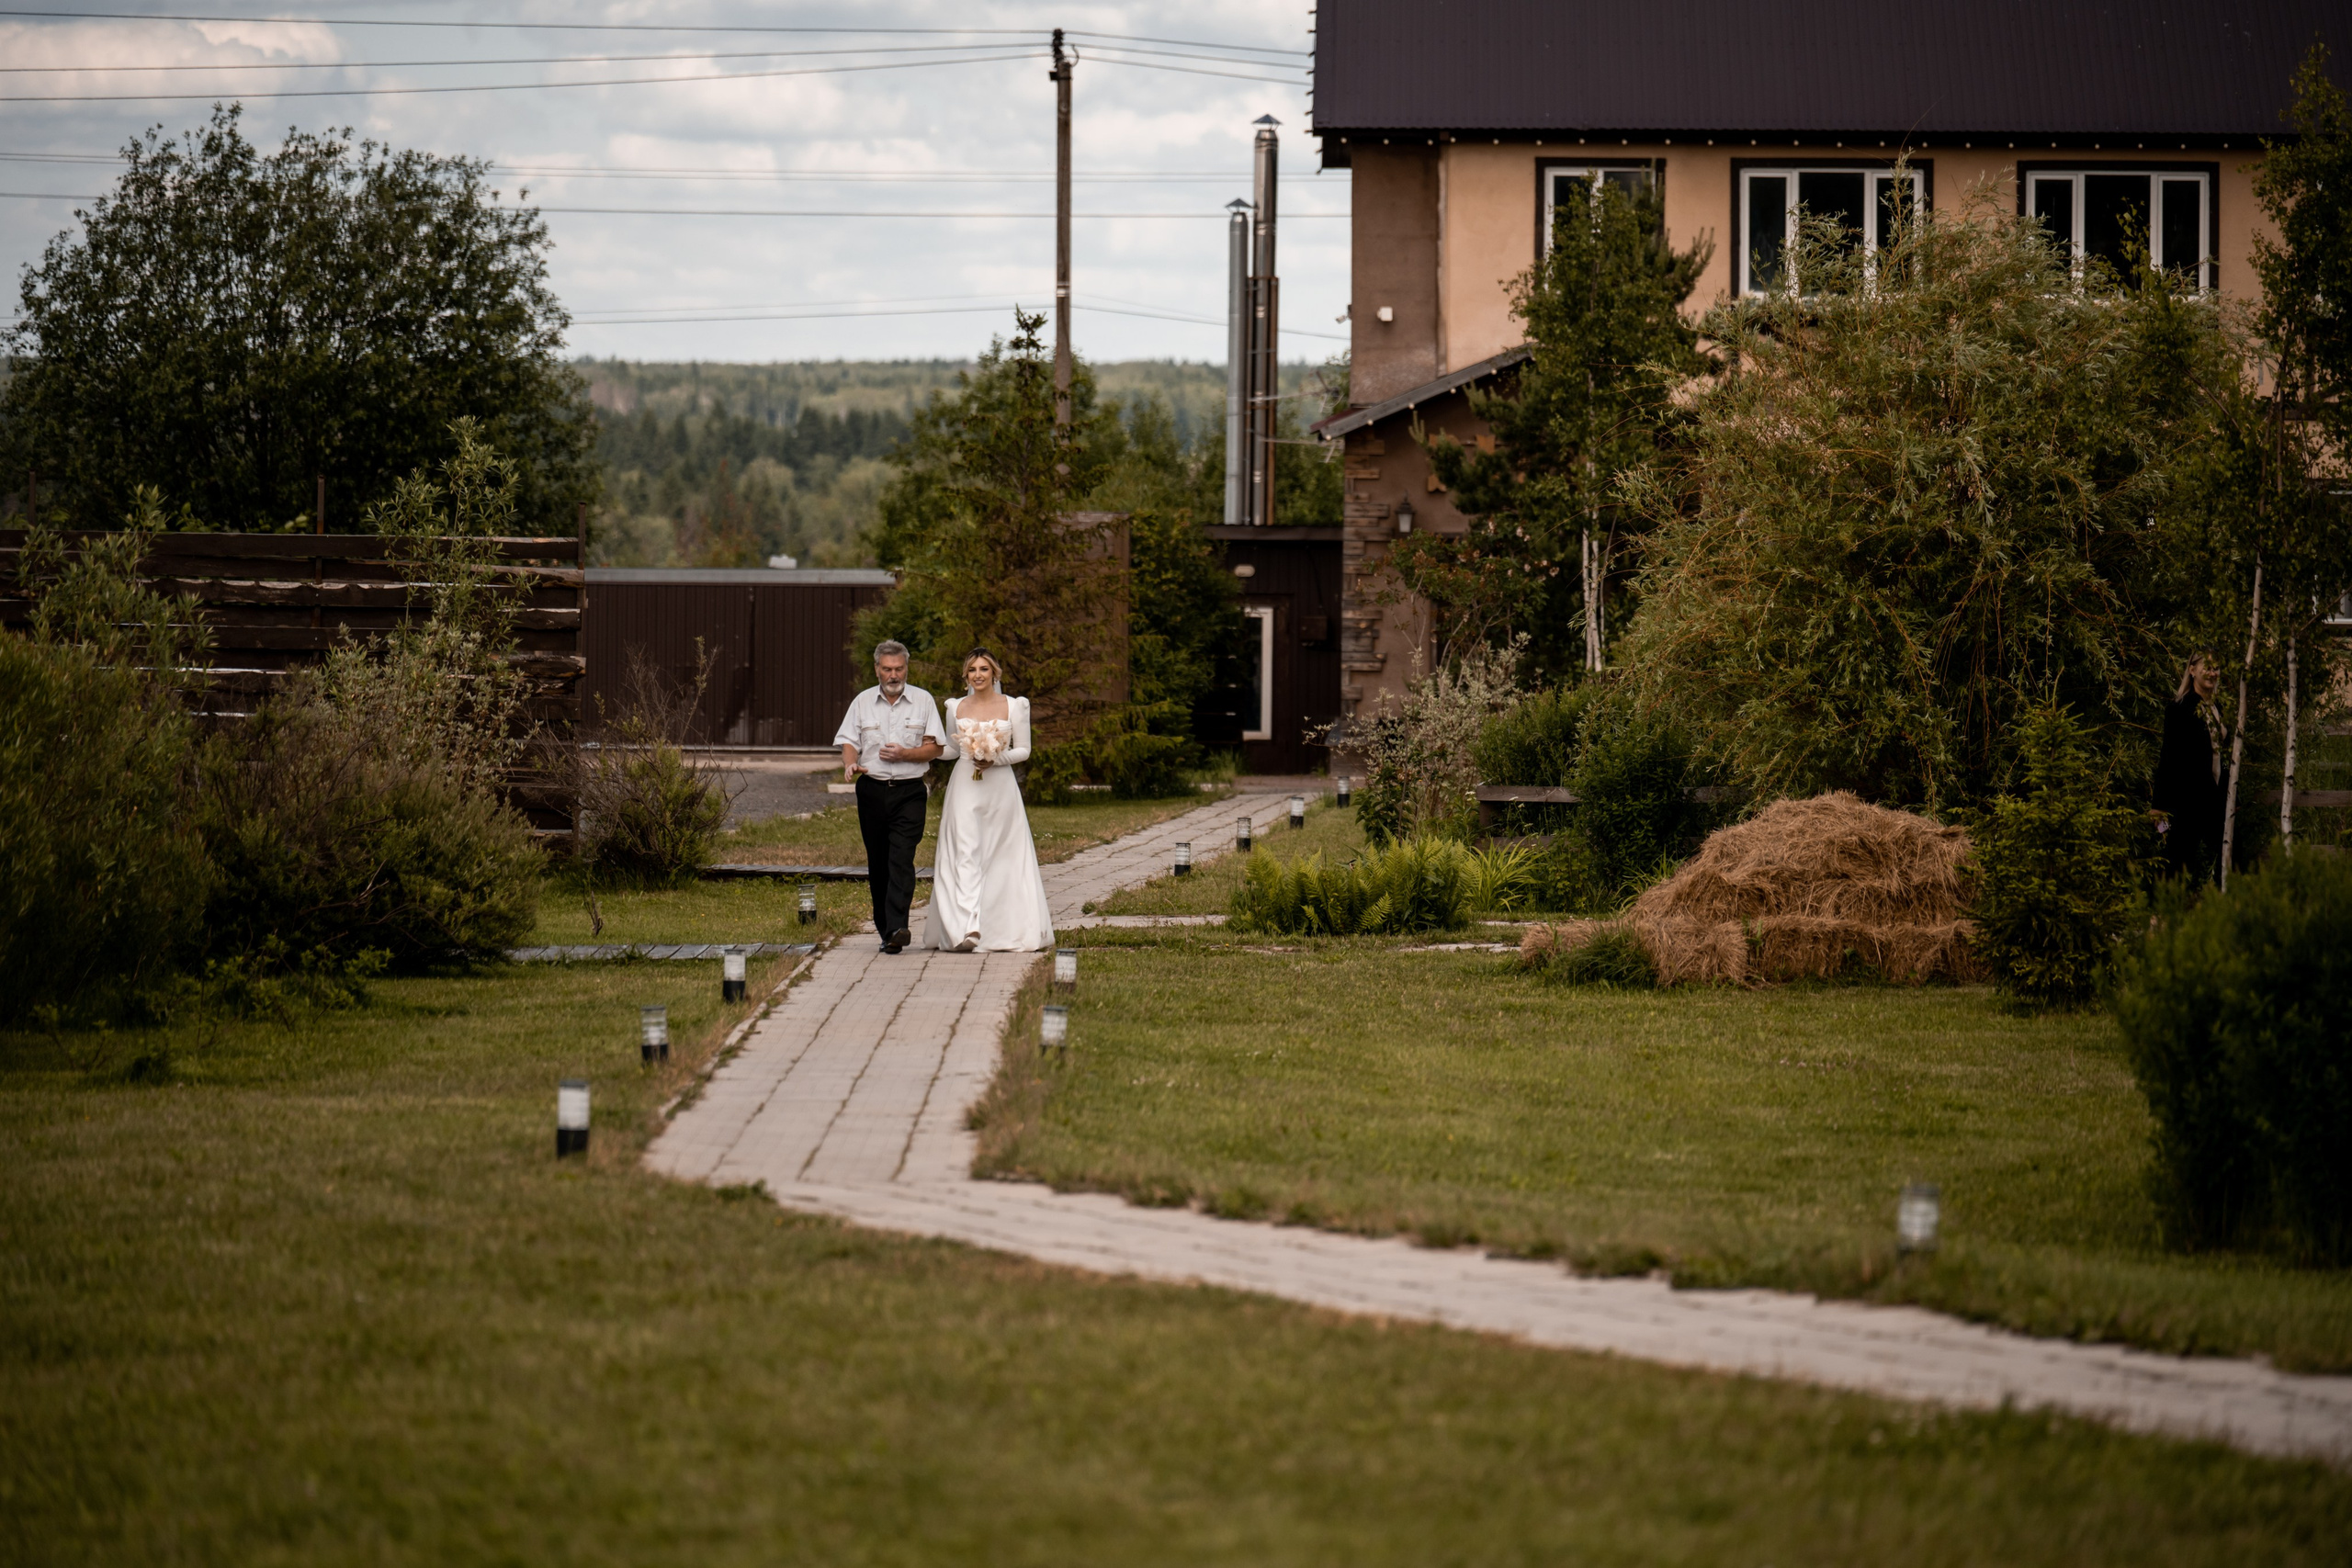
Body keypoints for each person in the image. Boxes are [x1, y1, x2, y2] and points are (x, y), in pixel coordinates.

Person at [922, 649, 1055, 953]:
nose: (978, 675)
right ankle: (966, 929)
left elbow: (1024, 750)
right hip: (965, 787)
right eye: (972, 670)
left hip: (1001, 788)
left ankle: (1001, 928)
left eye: (984, 669)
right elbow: (953, 751)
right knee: (965, 852)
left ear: (995, 673)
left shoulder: (1015, 706)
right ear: (965, 676)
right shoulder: (955, 707)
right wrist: (927, 748)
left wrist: (996, 759)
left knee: (1001, 856)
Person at [834, 640, 944, 953]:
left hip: (910, 792)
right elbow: (848, 741)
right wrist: (850, 763)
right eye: (887, 669)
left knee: (901, 858)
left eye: (899, 669)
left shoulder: (922, 701)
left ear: (906, 668)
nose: (893, 675)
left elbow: (936, 747)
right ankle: (886, 930)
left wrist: (907, 754)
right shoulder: (862, 702)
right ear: (877, 669)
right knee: (879, 862)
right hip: (871, 791)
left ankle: (898, 926)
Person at [2153, 650, 2224, 885]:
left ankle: (2232, 905)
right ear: (2192, 670)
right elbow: (2168, 757)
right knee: (2178, 857)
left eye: (2216, 668)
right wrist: (2158, 806)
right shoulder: (2179, 709)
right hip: (2188, 797)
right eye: (2207, 667)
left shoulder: (2219, 708)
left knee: (2230, 848)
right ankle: (2161, 912)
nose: (2212, 673)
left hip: (2215, 794)